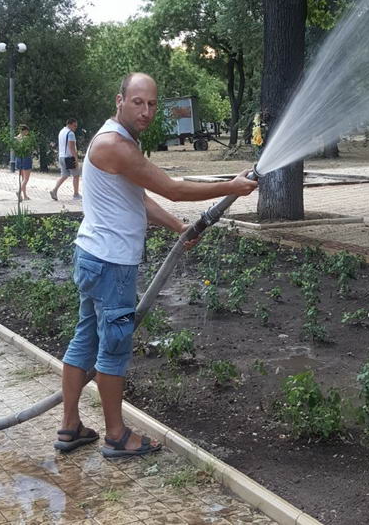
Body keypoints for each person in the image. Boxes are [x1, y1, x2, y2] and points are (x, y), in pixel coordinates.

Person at [56, 72, 258, 459]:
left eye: (151, 103)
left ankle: (70, 427)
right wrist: (231, 187)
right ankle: (116, 436)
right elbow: (173, 188)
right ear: (120, 100)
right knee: (112, 350)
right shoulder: (115, 145)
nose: (146, 111)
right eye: (138, 102)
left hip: (94, 257)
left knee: (86, 340)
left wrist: (178, 226)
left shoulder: (120, 140)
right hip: (111, 263)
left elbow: (138, 199)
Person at [51, 117, 81, 201]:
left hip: (61, 156)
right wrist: (76, 159)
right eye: (75, 126)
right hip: (69, 157)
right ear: (70, 124)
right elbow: (71, 147)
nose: (75, 128)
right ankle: (76, 194)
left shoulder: (61, 132)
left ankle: (54, 190)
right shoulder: (70, 133)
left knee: (64, 175)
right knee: (76, 175)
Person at [15, 124, 33, 202]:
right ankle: (19, 192)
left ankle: (25, 195)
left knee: (23, 178)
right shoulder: (26, 139)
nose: (27, 133)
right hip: (26, 158)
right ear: (25, 131)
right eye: (27, 131)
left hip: (19, 158)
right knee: (26, 179)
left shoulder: (15, 138)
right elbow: (29, 148)